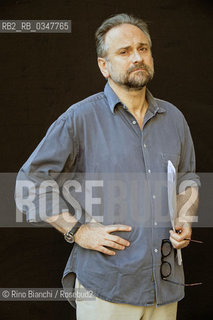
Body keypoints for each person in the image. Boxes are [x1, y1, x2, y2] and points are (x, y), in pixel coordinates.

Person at [16, 13, 200, 320]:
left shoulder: (175, 119)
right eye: (124, 51)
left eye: (143, 48)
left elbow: (187, 178)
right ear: (104, 66)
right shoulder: (80, 119)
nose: (137, 57)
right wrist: (77, 230)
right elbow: (29, 181)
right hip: (107, 289)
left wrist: (185, 216)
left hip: (165, 285)